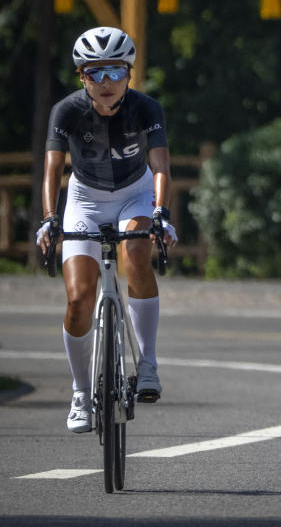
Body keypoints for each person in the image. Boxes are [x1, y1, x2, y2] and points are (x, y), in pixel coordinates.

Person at [35, 26, 177, 434]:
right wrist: (49, 218)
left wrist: (161, 212)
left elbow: (161, 165)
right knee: (79, 299)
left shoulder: (146, 108)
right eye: (95, 73)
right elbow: (53, 168)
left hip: (134, 195)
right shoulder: (66, 111)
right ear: (82, 77)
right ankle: (81, 392)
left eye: (115, 71)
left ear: (129, 74)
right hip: (84, 200)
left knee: (135, 256)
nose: (106, 82)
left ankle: (147, 364)